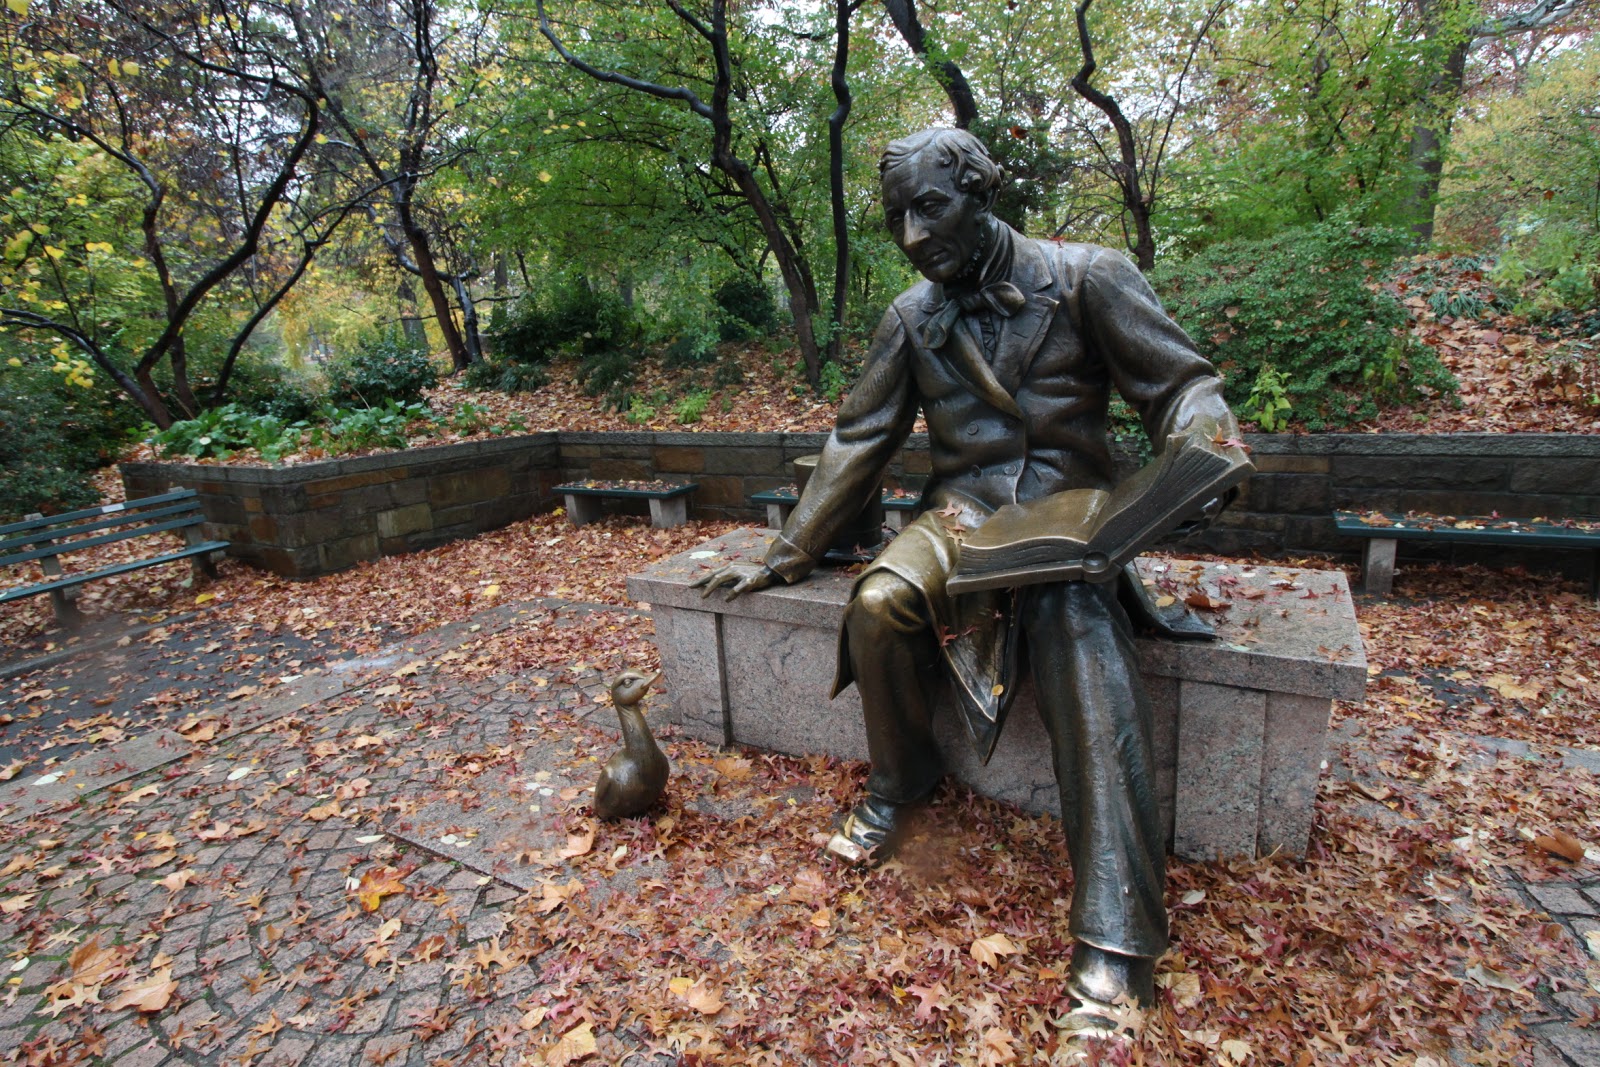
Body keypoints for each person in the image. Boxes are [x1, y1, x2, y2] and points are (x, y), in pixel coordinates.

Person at [693, 127, 1245, 1040]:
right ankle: (904, 782)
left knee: (1077, 629)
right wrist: (783, 550)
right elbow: (857, 442)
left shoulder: (1089, 276)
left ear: (981, 191)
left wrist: (1208, 441)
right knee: (875, 603)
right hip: (958, 513)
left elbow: (1181, 387)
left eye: (930, 208)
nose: (911, 234)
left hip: (1070, 516)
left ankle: (1115, 945)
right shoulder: (911, 316)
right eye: (896, 218)